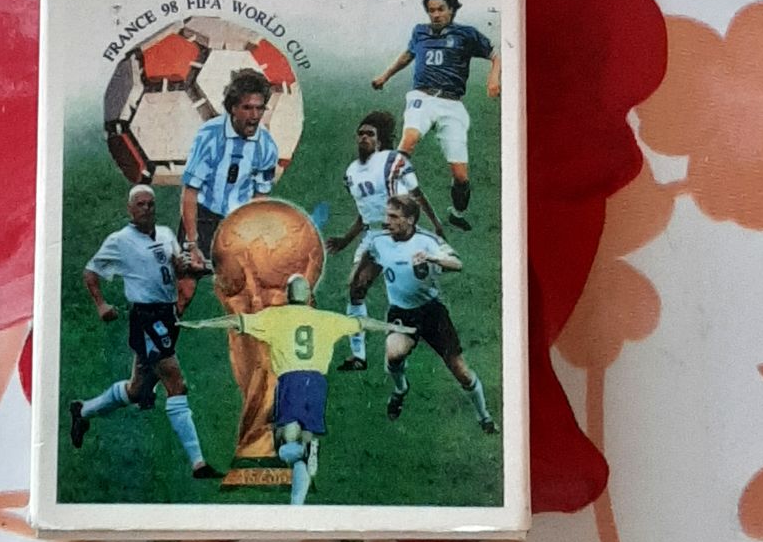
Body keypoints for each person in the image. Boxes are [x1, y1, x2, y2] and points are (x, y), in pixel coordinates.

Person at [180, 274, 412, 504]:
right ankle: (297, 504)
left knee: (284, 444)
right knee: (305, 442)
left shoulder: (274, 317)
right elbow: (364, 323)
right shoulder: (327, 319)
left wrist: (201, 323)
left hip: (291, 383)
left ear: (287, 295)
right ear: (309, 295)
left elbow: (235, 321)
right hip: (317, 384)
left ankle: (303, 453)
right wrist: (395, 327)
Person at [69, 184, 222, 479]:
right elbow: (91, 272)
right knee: (176, 383)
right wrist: (101, 305)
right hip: (146, 318)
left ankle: (83, 411)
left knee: (137, 389)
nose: (146, 209)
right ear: (130, 209)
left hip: (167, 315)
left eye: (150, 204)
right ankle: (198, 464)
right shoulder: (120, 241)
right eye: (140, 204)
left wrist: (197, 268)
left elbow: (176, 269)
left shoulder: (165, 234)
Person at [354, 194, 498, 432]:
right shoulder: (379, 241)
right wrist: (359, 277)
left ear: (410, 219)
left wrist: (432, 258)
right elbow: (365, 261)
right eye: (387, 215)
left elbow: (457, 263)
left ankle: (484, 417)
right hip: (401, 312)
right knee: (393, 354)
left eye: (394, 217)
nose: (387, 221)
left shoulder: (427, 240)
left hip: (432, 313)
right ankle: (401, 389)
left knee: (460, 370)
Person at [325, 110, 449, 372]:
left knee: (414, 293)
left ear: (380, 140)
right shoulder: (351, 173)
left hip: (399, 235)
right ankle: (358, 356)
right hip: (373, 236)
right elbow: (365, 213)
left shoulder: (393, 161)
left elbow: (416, 194)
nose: (364, 138)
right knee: (356, 288)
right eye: (360, 134)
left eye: (370, 134)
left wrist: (436, 223)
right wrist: (346, 240)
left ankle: (430, 331)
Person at [371, 0, 500, 231]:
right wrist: (384, 76)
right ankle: (388, 204)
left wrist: (493, 78)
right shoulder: (420, 32)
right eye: (431, 10)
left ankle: (457, 213)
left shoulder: (466, 35)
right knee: (409, 140)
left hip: (452, 105)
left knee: (461, 176)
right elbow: (407, 55)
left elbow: (495, 55)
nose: (436, 15)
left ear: (452, 10)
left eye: (441, 9)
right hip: (422, 97)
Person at [177, 67, 279, 311]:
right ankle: (164, 336)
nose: (254, 116)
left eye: (260, 108)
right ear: (233, 107)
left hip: (237, 223)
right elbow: (190, 193)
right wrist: (192, 244)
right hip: (203, 216)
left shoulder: (267, 146)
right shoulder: (209, 136)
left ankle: (247, 337)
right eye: (247, 108)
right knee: (184, 290)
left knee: (251, 295)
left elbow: (260, 198)